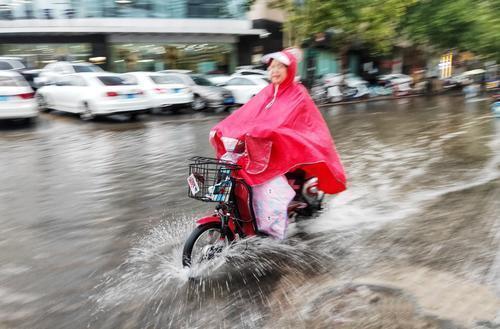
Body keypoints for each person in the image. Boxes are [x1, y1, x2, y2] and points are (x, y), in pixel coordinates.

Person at [209, 48, 346, 238]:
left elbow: (288, 121)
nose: (275, 70)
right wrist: (224, 128)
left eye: (280, 67)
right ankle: (243, 220)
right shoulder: (266, 92)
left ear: (290, 70)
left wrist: (267, 130)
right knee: (233, 169)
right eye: (272, 67)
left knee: (266, 188)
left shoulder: (297, 93)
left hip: (286, 152)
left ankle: (269, 229)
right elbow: (245, 115)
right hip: (262, 150)